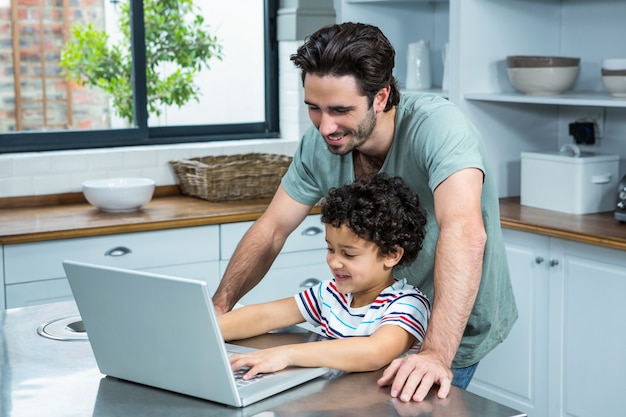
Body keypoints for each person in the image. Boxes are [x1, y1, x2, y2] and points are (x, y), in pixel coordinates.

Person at [212, 22, 518, 402]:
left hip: (444, 323)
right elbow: (273, 228)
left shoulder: (440, 128)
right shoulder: (320, 143)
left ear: (381, 96)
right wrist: (216, 311)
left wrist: (436, 353)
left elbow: (464, 232)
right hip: (362, 324)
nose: (326, 127)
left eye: (341, 110)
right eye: (314, 109)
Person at [219, 174, 431, 378]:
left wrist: (286, 354)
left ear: (391, 254)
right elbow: (266, 315)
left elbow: (374, 352)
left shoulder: (408, 304)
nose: (334, 262)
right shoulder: (330, 293)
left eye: (348, 254)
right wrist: (206, 332)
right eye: (331, 249)